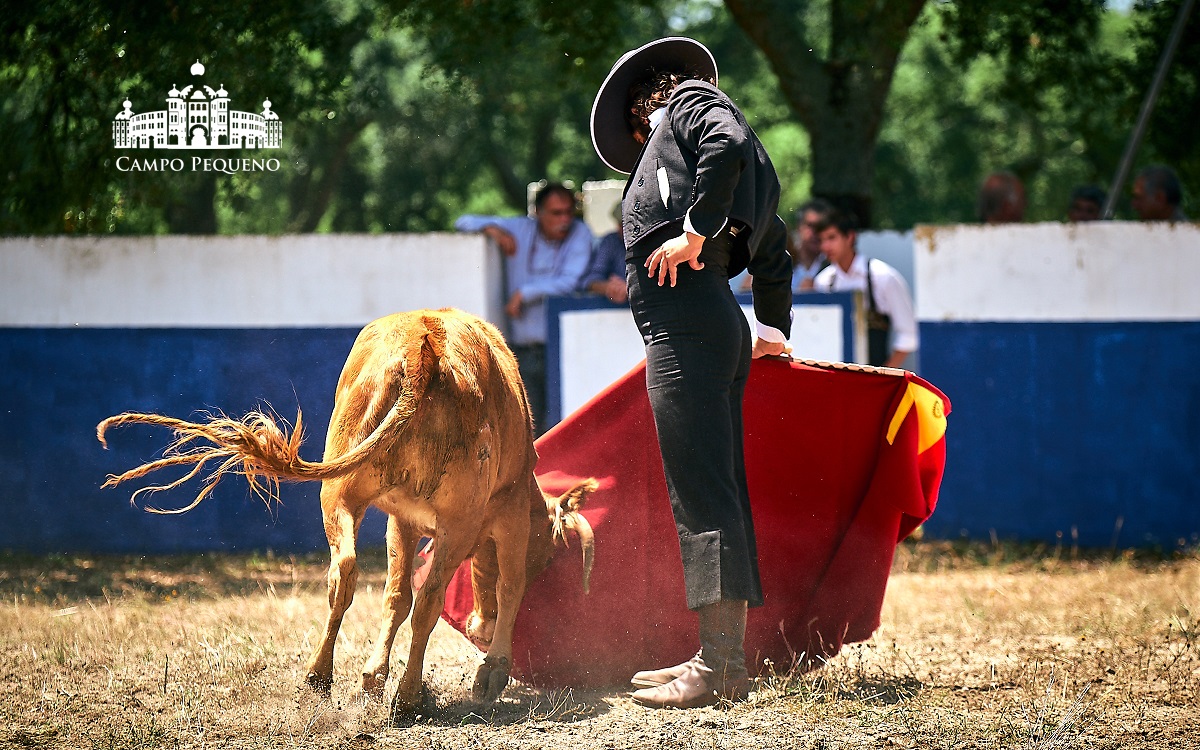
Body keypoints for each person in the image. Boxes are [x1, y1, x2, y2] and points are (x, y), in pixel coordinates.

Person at [590, 36, 794, 709]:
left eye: (637, 129)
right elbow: (776, 248)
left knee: (701, 492)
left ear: (647, 105)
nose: (643, 140)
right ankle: (722, 658)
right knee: (717, 486)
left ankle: (718, 666)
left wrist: (697, 232)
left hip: (688, 326)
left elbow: (725, 143)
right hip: (712, 323)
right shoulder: (733, 158)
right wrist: (769, 332)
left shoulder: (690, 102)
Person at [455, 183, 593, 433]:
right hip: (521, 349)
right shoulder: (520, 228)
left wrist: (524, 294)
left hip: (561, 348)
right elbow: (463, 221)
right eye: (556, 213)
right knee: (525, 425)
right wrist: (491, 230)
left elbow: (571, 281)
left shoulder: (580, 233)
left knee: (561, 424)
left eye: (568, 212)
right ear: (537, 212)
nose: (564, 220)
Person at [813, 209, 917, 369]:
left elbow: (909, 335)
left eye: (832, 237)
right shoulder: (823, 282)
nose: (826, 246)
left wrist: (883, 375)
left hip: (875, 380)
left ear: (850, 237)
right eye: (821, 240)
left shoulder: (883, 277)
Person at [579, 204, 628, 304]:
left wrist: (631, 288)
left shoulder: (657, 243)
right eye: (619, 224)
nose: (621, 229)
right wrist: (608, 287)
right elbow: (590, 280)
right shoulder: (611, 241)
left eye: (626, 225)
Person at [792, 198, 833, 291]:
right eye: (810, 226)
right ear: (799, 227)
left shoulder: (832, 265)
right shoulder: (784, 262)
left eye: (820, 227)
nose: (815, 232)